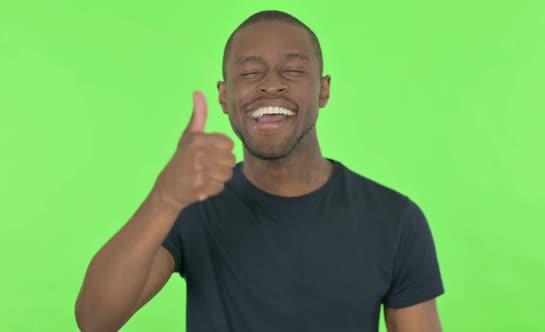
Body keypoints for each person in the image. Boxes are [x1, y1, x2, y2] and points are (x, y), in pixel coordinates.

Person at [75, 10, 444, 332]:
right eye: (250, 72)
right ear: (224, 96)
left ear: (324, 90)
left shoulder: (394, 219)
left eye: (294, 70)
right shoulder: (191, 208)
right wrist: (164, 197)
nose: (270, 83)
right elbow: (95, 320)